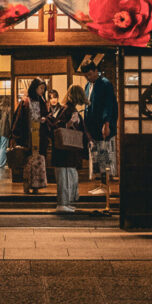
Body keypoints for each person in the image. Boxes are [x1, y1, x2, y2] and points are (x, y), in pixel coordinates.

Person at [82, 61, 118, 212]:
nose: (88, 78)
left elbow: (109, 105)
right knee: (97, 157)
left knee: (105, 156)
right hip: (93, 126)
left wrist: (107, 123)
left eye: (90, 74)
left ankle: (106, 186)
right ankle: (101, 185)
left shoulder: (105, 84)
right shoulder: (88, 86)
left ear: (96, 70)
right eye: (86, 75)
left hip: (103, 126)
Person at [50, 84, 87, 213]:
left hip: (63, 151)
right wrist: (69, 124)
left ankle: (65, 203)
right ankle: (62, 204)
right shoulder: (69, 110)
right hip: (66, 151)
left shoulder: (65, 109)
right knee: (65, 177)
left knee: (65, 177)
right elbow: (58, 126)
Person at [10, 78, 49, 194]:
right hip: (29, 137)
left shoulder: (42, 101)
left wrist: (45, 119)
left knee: (38, 161)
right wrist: (16, 136)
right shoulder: (26, 101)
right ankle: (27, 186)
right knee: (29, 162)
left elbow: (47, 116)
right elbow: (19, 120)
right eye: (40, 88)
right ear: (34, 88)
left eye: (43, 88)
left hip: (39, 136)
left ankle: (37, 186)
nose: (42, 91)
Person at [0, 97, 12, 178]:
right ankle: (1, 163)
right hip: (5, 130)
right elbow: (10, 121)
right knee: (3, 147)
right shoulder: (9, 109)